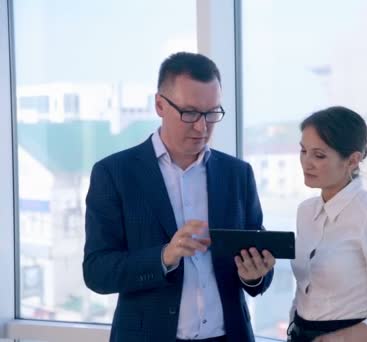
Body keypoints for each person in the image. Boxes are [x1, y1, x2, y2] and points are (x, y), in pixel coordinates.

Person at [83, 52, 275, 342]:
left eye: (212, 113)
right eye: (190, 113)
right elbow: (97, 272)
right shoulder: (115, 173)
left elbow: (257, 258)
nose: (202, 127)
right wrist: (164, 256)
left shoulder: (238, 174)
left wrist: (254, 275)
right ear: (160, 105)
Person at [288, 106, 367, 342]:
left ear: (353, 160)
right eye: (303, 151)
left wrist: (342, 339)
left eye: (319, 155)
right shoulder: (305, 211)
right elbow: (304, 293)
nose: (306, 163)